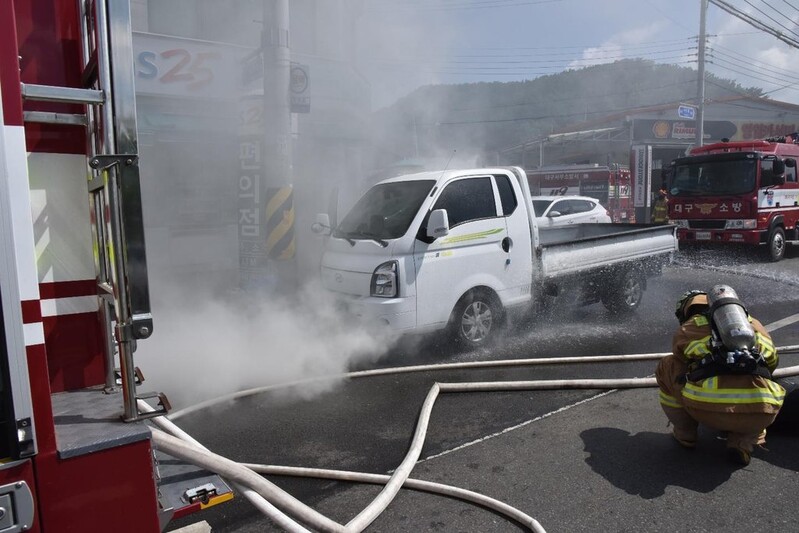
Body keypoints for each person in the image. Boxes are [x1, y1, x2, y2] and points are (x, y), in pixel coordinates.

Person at [656, 285, 785, 465]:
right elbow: (771, 364)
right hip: (762, 410)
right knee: (761, 381)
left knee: (668, 366)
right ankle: (742, 443)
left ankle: (685, 434)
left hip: (707, 406)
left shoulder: (691, 326)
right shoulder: (753, 324)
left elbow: (680, 359)